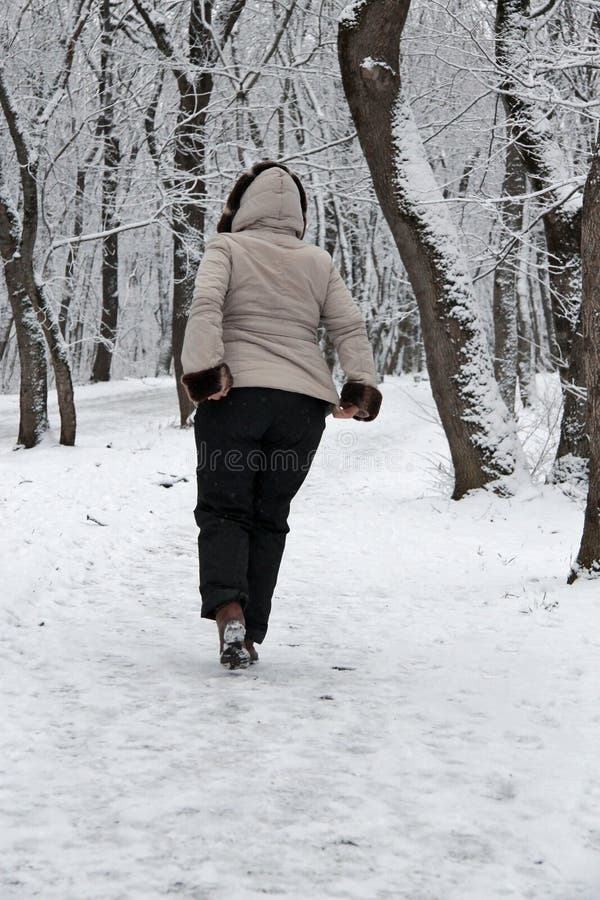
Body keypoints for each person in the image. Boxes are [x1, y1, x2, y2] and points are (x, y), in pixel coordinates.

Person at [180, 160, 382, 669]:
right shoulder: (319, 260)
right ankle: (250, 635)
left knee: (226, 509)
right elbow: (349, 327)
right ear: (297, 214)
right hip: (300, 409)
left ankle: (230, 613)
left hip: (236, 399)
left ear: (243, 207)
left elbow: (205, 305)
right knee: (270, 517)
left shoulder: (226, 247)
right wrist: (359, 388)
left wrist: (206, 371)